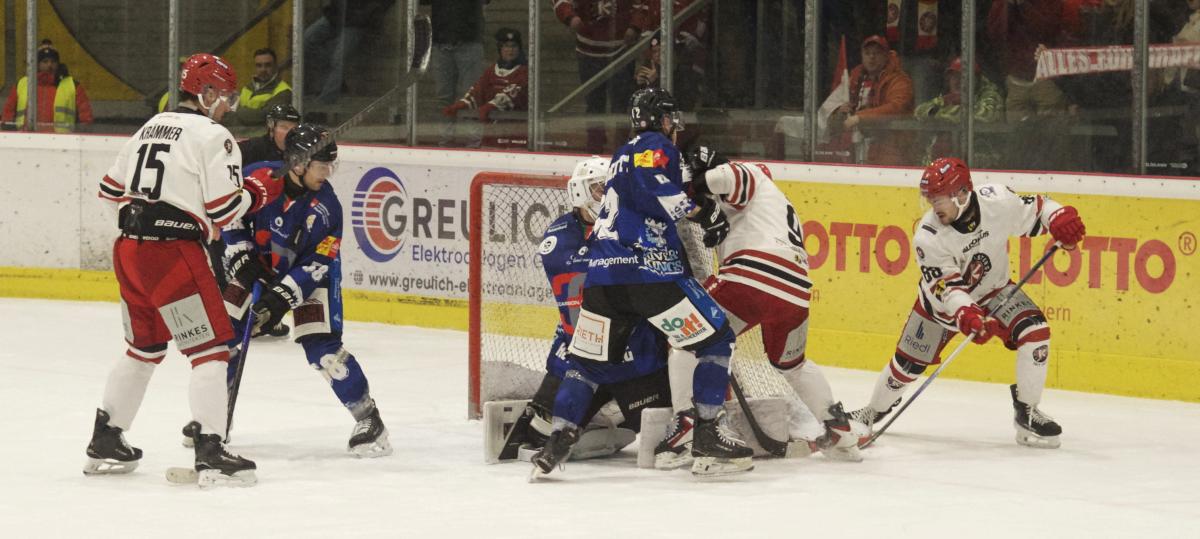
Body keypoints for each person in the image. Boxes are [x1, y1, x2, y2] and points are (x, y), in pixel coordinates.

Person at [535, 87, 753, 477]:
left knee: (584, 365)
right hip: (651, 272)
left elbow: (648, 182)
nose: (674, 125)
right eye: (671, 117)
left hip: (603, 279)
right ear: (664, 119)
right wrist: (702, 211)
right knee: (718, 339)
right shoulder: (654, 145)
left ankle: (558, 440)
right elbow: (656, 182)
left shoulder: (620, 154)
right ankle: (706, 434)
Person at [86, 53, 278, 487]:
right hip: (172, 255)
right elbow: (225, 210)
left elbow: (109, 190)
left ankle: (106, 437)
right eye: (225, 96)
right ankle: (211, 450)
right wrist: (258, 191)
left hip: (129, 253)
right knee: (211, 350)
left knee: (144, 350)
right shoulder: (214, 135)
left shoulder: (148, 127)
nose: (228, 105)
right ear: (206, 92)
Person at [850, 157, 1087, 449]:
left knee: (1035, 333)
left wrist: (1060, 217)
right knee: (905, 367)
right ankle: (872, 411)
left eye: (939, 199)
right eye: (930, 199)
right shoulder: (928, 235)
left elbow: (1039, 208)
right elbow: (948, 288)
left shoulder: (997, 201)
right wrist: (966, 314)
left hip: (995, 292)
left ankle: (1027, 412)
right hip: (939, 308)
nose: (934, 207)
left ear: (962, 194)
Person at [652, 146, 865, 468]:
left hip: (753, 277)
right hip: (795, 293)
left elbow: (722, 177)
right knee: (792, 364)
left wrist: (688, 186)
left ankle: (687, 427)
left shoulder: (750, 175)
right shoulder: (776, 204)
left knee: (686, 337)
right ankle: (838, 429)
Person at [220, 124, 392, 458]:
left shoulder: (328, 208)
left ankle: (369, 419)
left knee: (323, 349)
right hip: (258, 265)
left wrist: (280, 298)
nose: (327, 173)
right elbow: (230, 216)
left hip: (310, 276)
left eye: (331, 164)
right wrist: (241, 256)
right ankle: (214, 417)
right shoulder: (258, 178)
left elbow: (317, 262)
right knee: (224, 335)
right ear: (297, 164)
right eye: (321, 165)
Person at [526, 156, 672, 478]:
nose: (607, 197)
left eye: (612, 189)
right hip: (581, 350)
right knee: (537, 429)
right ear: (579, 192)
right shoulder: (560, 238)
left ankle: (615, 415)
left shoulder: (628, 224)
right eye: (599, 189)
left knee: (654, 430)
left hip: (636, 354)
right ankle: (595, 419)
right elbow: (600, 270)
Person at [553, 0, 639, 153]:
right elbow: (561, 3)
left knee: (621, 102)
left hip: (622, 49)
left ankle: (620, 147)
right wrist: (569, 17)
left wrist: (635, 26)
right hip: (588, 50)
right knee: (594, 102)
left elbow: (642, 4)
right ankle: (595, 143)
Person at [833, 35, 915, 166]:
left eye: (876, 53)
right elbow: (840, 108)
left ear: (886, 56)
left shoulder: (899, 80)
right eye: (867, 53)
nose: (871, 57)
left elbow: (896, 107)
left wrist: (861, 117)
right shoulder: (855, 77)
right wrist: (841, 111)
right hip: (855, 146)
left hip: (892, 148)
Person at [441, 28, 528, 149]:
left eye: (514, 46)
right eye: (506, 46)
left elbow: (512, 93)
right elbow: (478, 89)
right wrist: (462, 104)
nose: (510, 50)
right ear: (500, 48)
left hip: (516, 135)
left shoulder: (524, 71)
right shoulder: (492, 70)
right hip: (491, 134)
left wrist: (489, 107)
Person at [913, 57, 1004, 166]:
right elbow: (919, 112)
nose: (957, 81)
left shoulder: (990, 94)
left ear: (975, 79)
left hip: (983, 158)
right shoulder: (948, 98)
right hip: (953, 157)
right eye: (954, 76)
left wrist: (944, 113)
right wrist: (943, 106)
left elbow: (986, 115)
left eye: (962, 77)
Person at [304, 0, 396, 105]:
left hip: (357, 22)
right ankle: (335, 80)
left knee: (339, 59)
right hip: (336, 15)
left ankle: (324, 103)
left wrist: (371, 12)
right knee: (306, 41)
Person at [423, 0, 487, 146]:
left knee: (471, 95)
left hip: (468, 41)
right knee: (443, 96)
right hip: (442, 43)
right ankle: (445, 139)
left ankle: (473, 141)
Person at [2, 39, 94, 132]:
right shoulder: (21, 84)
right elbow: (8, 114)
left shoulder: (73, 86)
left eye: (53, 61)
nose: (49, 65)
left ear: (58, 64)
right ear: (37, 64)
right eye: (45, 61)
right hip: (26, 141)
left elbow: (86, 118)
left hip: (62, 142)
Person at [227, 48, 294, 127]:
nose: (263, 69)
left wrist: (236, 110)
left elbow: (265, 116)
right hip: (241, 134)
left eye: (268, 65)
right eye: (259, 65)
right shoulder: (248, 87)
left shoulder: (284, 91)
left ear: (275, 66)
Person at [239, 103, 302, 168]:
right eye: (284, 127)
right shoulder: (253, 147)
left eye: (294, 128)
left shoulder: (301, 151)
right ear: (271, 126)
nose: (290, 132)